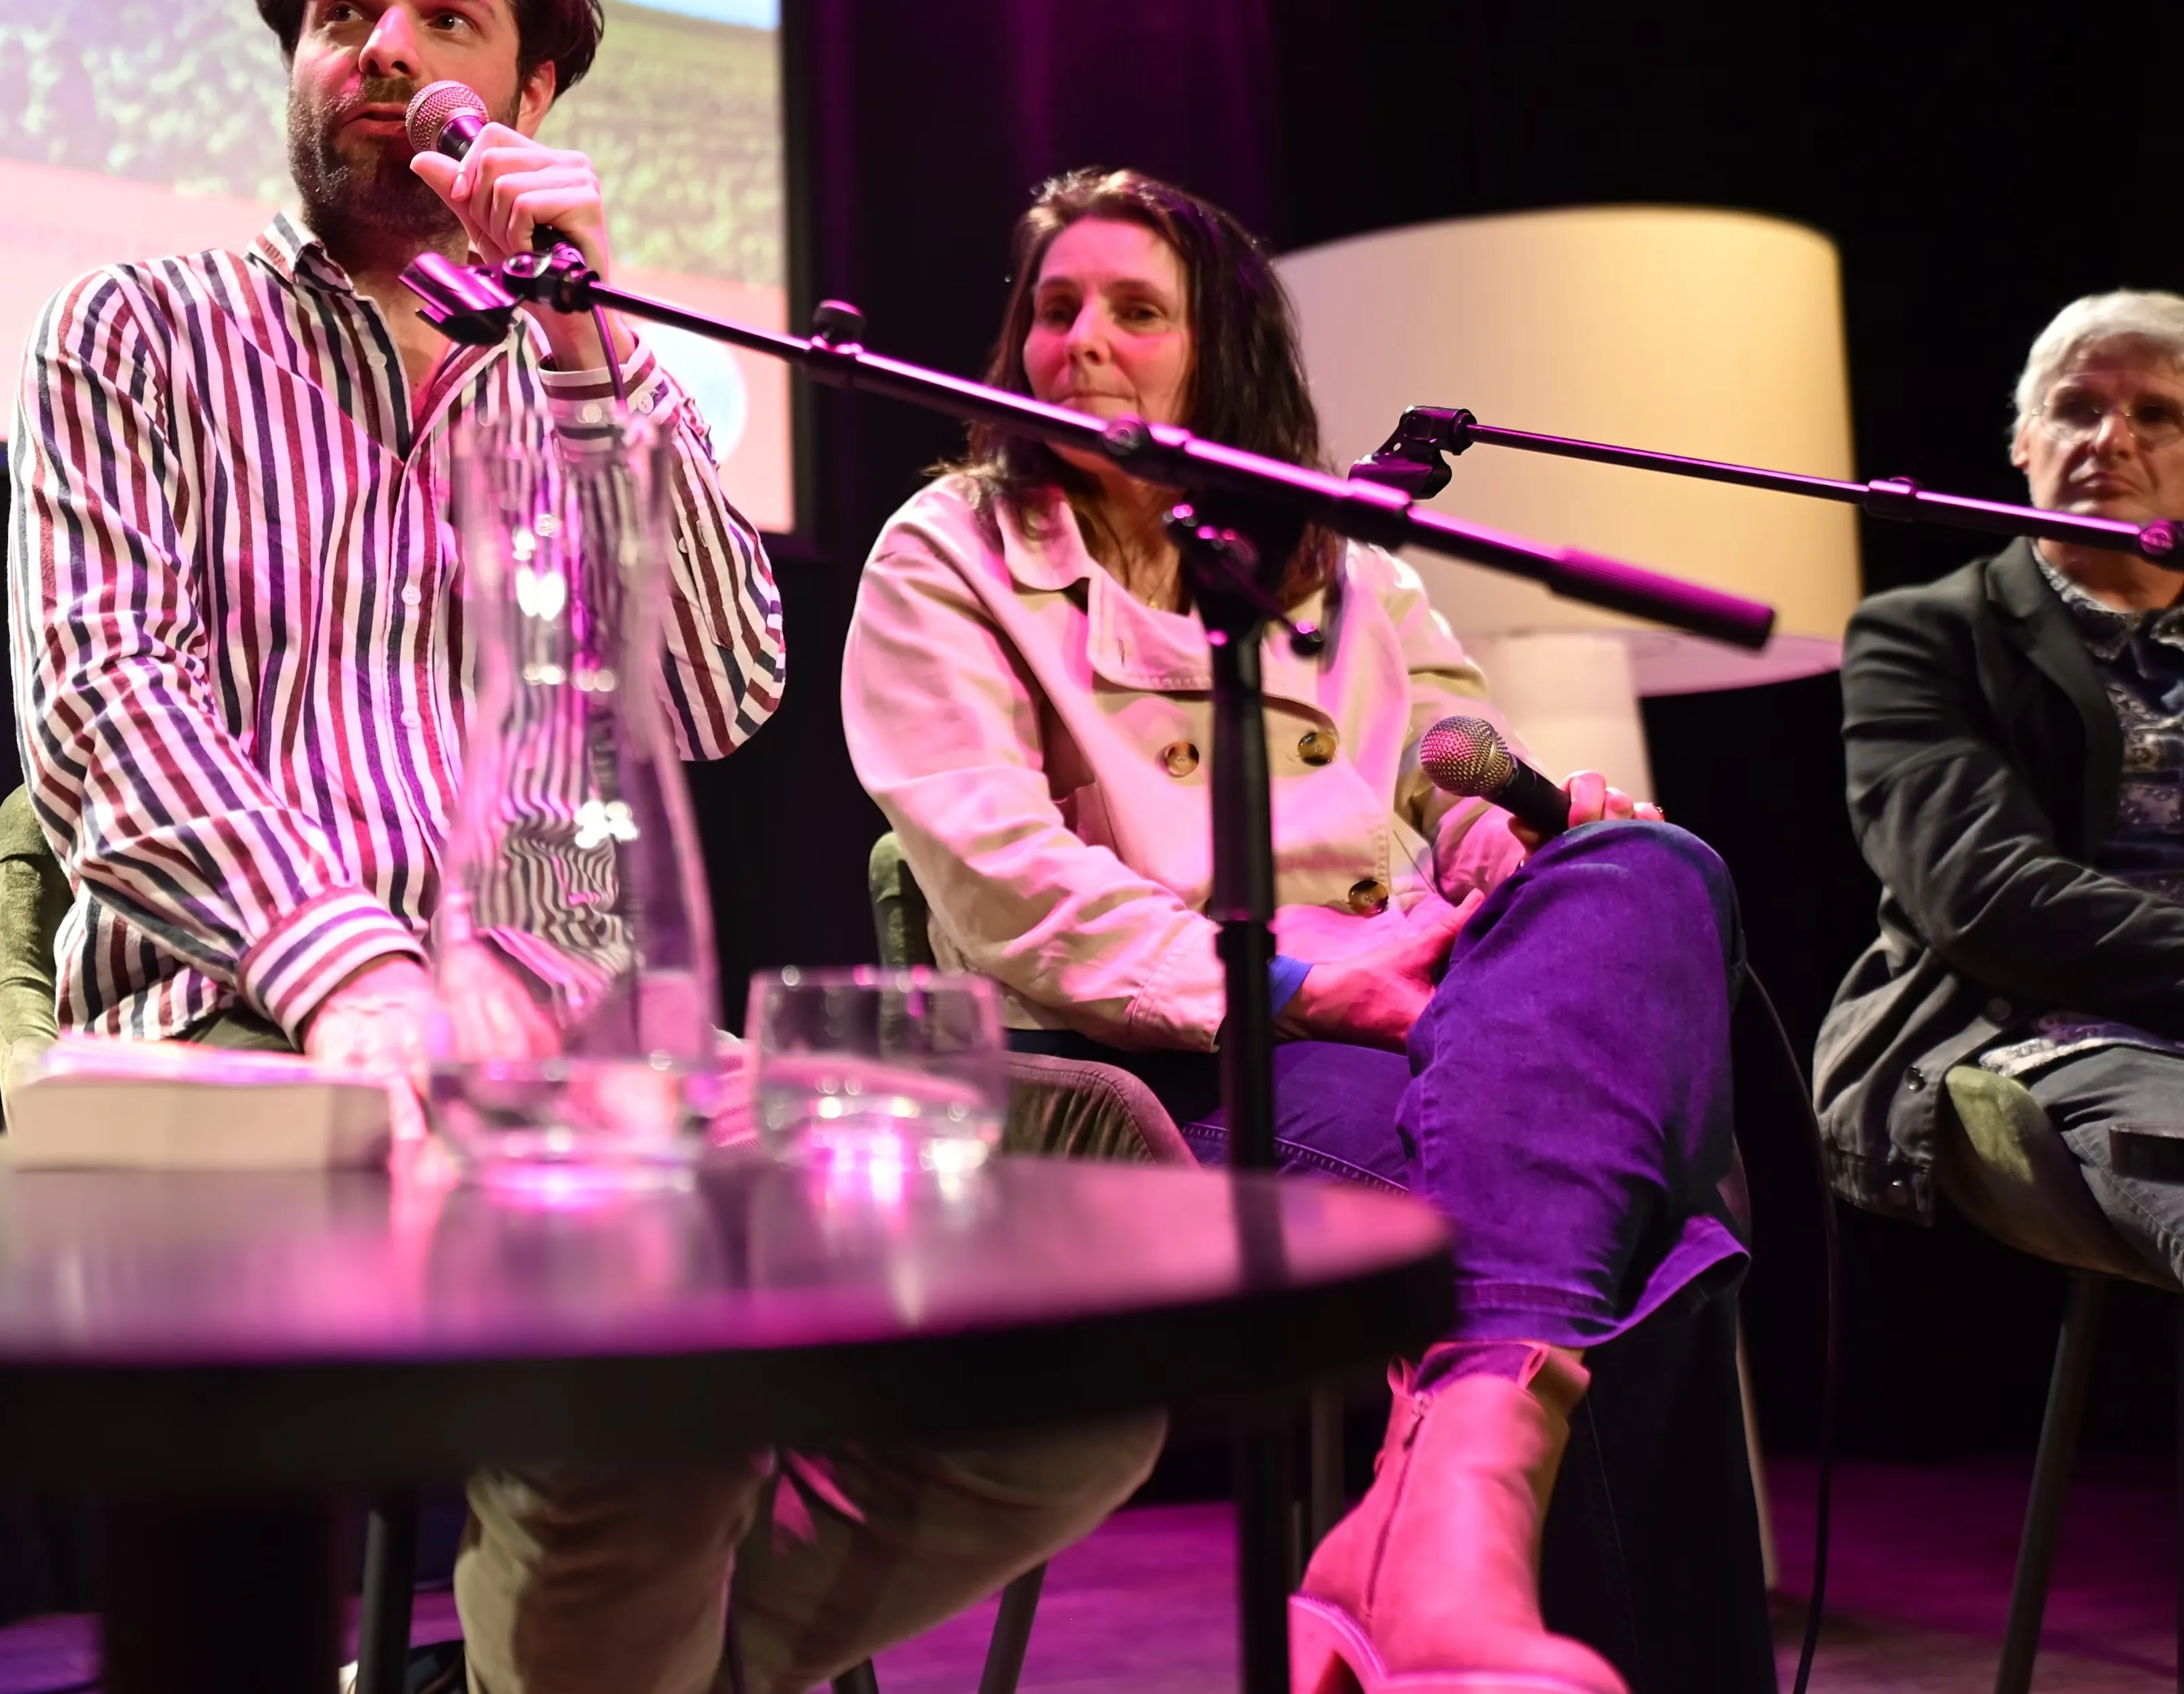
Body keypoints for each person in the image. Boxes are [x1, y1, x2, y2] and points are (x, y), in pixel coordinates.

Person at [10, 0, 1159, 1694]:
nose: (376, 48)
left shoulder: (600, 375)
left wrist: (589, 339)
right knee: (654, 1343)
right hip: (252, 1047)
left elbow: (714, 691)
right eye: (337, 11)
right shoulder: (133, 333)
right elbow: (100, 704)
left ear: (532, 90)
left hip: (571, 1069)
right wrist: (362, 977)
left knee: (1105, 1213)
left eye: (439, 14)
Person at [842, 168, 1769, 1694]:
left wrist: (1509, 821)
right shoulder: (945, 553)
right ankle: (1440, 1570)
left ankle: (1424, 1554)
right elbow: (1001, 875)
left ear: (1225, 355)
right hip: (1162, 1069)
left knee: (1651, 865)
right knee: (1635, 1222)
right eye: (1052, 308)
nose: (1080, 341)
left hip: (1408, 1009)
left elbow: (1452, 758)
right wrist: (1294, 979)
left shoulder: (1349, 568)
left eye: (1135, 311)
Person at [1820, 289, 2184, 1270]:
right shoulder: (1924, 632)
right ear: (2024, 442)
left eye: (2156, 413)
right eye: (2077, 407)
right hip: (2041, 1028)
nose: (2113, 437)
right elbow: (1987, 898)